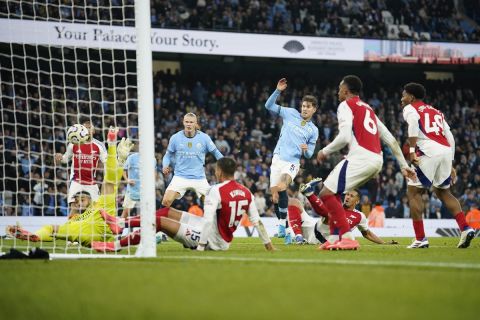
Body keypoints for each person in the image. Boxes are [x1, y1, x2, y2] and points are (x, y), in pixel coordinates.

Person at [316, 75, 415, 250]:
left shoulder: (346, 105)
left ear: (346, 90)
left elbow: (344, 137)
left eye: (340, 88)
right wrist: (403, 165)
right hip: (376, 160)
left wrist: (325, 151)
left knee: (325, 193)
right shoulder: (368, 109)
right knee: (334, 193)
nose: (338, 91)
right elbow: (391, 140)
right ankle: (332, 239)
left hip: (360, 157)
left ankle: (346, 238)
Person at [92, 157, 275, 252]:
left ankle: (114, 247)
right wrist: (268, 244)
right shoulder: (246, 191)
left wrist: (202, 247)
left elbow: (208, 220)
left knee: (160, 223)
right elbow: (257, 221)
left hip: (211, 240)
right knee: (165, 211)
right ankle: (120, 223)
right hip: (217, 234)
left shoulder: (216, 190)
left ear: (219, 171)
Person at [6, 127, 134, 246]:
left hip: (83, 231)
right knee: (110, 184)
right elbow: (111, 178)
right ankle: (36, 236)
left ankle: (36, 236)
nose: (78, 203)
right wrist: (117, 154)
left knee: (53, 229)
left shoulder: (97, 146)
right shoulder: (102, 205)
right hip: (100, 227)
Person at [400, 82, 475, 248]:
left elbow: (413, 125)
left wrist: (412, 151)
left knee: (413, 192)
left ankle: (420, 238)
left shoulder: (410, 108)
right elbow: (450, 136)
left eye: (404, 95)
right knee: (443, 192)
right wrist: (451, 162)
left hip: (428, 151)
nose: (401, 98)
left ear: (411, 97)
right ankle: (465, 228)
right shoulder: (436, 111)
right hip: (445, 151)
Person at [265, 78, 319, 242]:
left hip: (292, 163)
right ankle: (282, 227)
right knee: (274, 195)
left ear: (314, 110)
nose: (304, 109)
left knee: (282, 186)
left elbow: (309, 155)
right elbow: (269, 106)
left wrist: (305, 151)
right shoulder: (290, 113)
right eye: (303, 106)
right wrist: (277, 91)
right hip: (277, 158)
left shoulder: (313, 130)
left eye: (308, 107)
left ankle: (286, 228)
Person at [288, 179, 396, 246]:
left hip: (324, 240)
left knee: (333, 215)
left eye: (351, 196)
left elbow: (367, 233)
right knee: (293, 202)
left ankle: (309, 193)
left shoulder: (359, 216)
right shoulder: (336, 203)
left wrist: (384, 243)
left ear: (357, 201)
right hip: (313, 227)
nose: (348, 197)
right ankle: (298, 237)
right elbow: (322, 212)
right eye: (347, 194)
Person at [161, 113, 223, 207]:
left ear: (195, 123)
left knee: (214, 205)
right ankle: (171, 221)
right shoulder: (175, 138)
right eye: (186, 122)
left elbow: (216, 153)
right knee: (166, 202)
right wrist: (165, 165)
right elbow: (167, 155)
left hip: (199, 178)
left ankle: (215, 221)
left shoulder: (204, 138)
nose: (189, 124)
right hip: (180, 177)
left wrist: (226, 165)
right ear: (183, 122)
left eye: (191, 122)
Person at [55, 117, 107, 206]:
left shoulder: (99, 146)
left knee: (96, 209)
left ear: (94, 131)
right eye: (85, 127)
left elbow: (107, 163)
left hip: (91, 183)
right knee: (73, 207)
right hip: (76, 181)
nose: (87, 129)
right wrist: (60, 158)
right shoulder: (73, 143)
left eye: (90, 127)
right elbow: (65, 159)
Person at [121, 146, 157, 218]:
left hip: (145, 191)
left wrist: (152, 183)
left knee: (147, 213)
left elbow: (154, 172)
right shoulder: (131, 157)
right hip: (132, 190)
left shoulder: (152, 159)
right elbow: (124, 169)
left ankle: (146, 228)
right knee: (125, 213)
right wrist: (127, 180)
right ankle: (119, 227)